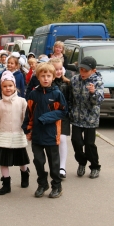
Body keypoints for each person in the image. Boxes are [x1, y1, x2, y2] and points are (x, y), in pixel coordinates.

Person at [21, 62, 67, 198]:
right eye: (43, 76)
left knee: (54, 163)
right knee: (38, 161)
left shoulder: (57, 94)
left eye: (48, 76)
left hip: (52, 134)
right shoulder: (34, 94)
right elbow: (29, 113)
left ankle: (57, 186)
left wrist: (46, 118)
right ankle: (42, 184)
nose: (45, 79)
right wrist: (27, 130)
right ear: (38, 77)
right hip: (37, 135)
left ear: (53, 77)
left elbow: (64, 112)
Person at [69, 56, 104, 179]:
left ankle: (95, 166)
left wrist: (93, 92)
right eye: (81, 70)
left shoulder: (97, 82)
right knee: (76, 142)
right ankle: (82, 162)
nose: (82, 73)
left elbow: (99, 101)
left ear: (93, 70)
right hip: (76, 118)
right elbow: (70, 97)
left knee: (89, 144)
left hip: (90, 119)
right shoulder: (74, 80)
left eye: (86, 70)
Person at [50, 58, 72, 178]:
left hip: (63, 115)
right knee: (53, 141)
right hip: (51, 116)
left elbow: (71, 99)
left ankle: (62, 167)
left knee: (62, 139)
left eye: (60, 69)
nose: (58, 72)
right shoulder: (47, 83)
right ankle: (55, 165)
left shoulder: (67, 83)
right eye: (56, 69)